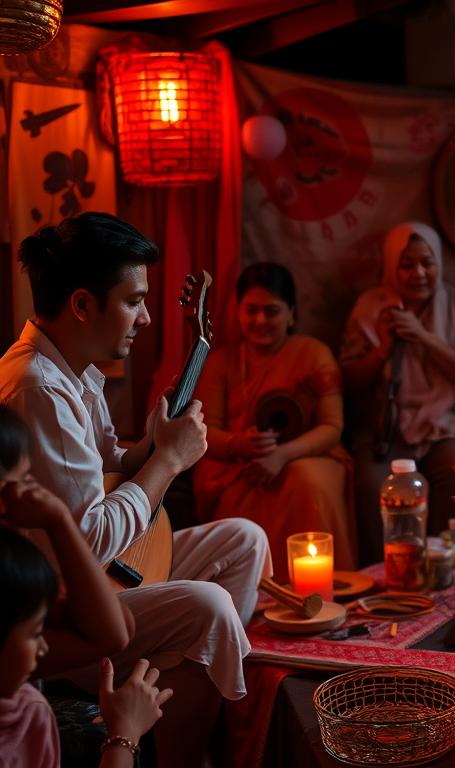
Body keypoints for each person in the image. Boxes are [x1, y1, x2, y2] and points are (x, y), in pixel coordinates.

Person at [0, 212, 271, 767]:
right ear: (82, 304)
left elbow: (107, 470)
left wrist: (150, 446)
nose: (146, 317)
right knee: (209, 607)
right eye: (134, 300)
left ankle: (189, 705)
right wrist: (168, 462)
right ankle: (185, 751)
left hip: (106, 571)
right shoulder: (36, 390)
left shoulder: (73, 370)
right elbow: (86, 537)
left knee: (245, 541)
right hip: (63, 604)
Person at [0, 406, 171, 768]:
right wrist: (124, 735)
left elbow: (118, 628)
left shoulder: (14, 574)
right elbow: (112, 636)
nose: (30, 499)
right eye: (15, 490)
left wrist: (58, 520)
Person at [193, 262, 357, 577]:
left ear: (291, 313)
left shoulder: (313, 354)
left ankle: (320, 589)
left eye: (272, 311)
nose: (260, 320)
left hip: (310, 455)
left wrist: (282, 455)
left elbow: (332, 428)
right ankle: (256, 597)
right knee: (246, 494)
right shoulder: (220, 364)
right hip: (237, 468)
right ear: (237, 311)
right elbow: (202, 431)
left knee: (305, 480)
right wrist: (238, 444)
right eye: (251, 310)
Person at [341, 222, 455, 566]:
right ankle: (386, 579)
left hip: (448, 422)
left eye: (427, 263)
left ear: (439, 264)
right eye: (407, 265)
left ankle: (447, 577)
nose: (418, 273)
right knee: (372, 484)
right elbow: (348, 381)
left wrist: (424, 336)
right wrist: (382, 351)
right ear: (391, 266)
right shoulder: (370, 307)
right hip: (384, 429)